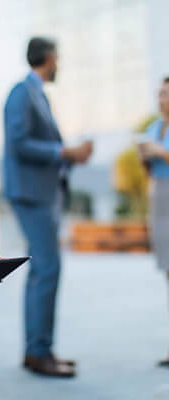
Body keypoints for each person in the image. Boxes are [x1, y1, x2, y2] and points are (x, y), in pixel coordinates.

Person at [2, 37, 92, 378]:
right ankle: (39, 353)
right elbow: (19, 142)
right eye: (59, 57)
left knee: (43, 270)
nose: (60, 64)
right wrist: (63, 152)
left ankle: (37, 351)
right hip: (31, 194)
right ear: (49, 57)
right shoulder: (21, 92)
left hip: (42, 192)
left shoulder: (36, 93)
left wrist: (68, 155)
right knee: (47, 269)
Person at [137, 77, 169, 367]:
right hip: (158, 198)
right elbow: (149, 170)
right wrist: (145, 156)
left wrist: (163, 153)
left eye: (167, 94)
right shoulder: (152, 129)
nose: (163, 99)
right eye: (160, 93)